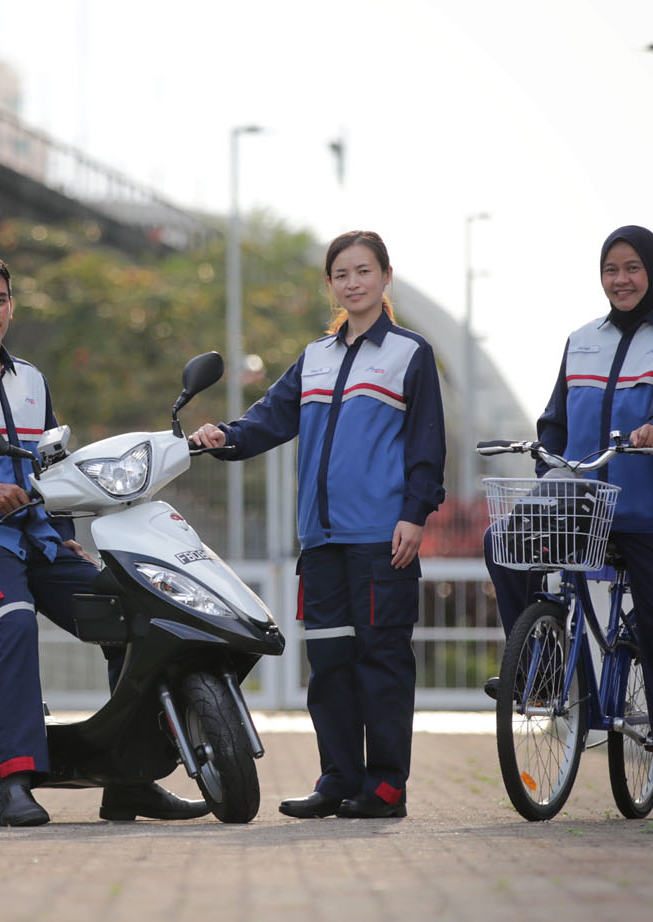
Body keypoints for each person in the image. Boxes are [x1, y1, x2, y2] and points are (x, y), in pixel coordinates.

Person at [0, 252, 208, 827]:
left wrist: (63, 537)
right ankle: (15, 781)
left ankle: (129, 782)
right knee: (12, 621)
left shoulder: (33, 380)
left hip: (35, 541)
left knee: (131, 612)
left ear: (12, 304)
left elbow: (50, 468)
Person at [190, 230, 446, 819]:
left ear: (385, 277)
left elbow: (426, 445)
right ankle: (337, 779)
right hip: (322, 542)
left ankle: (384, 787)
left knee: (381, 663)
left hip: (383, 540)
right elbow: (268, 420)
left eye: (363, 271)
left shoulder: (410, 353)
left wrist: (414, 514)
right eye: (341, 274)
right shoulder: (316, 357)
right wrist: (223, 436)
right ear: (330, 285)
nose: (353, 283)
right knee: (329, 665)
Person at [482, 224, 653, 823]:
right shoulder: (581, 340)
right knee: (504, 539)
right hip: (585, 503)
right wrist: (547, 460)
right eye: (612, 269)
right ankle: (545, 673)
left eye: (633, 267)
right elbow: (556, 419)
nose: (621, 279)